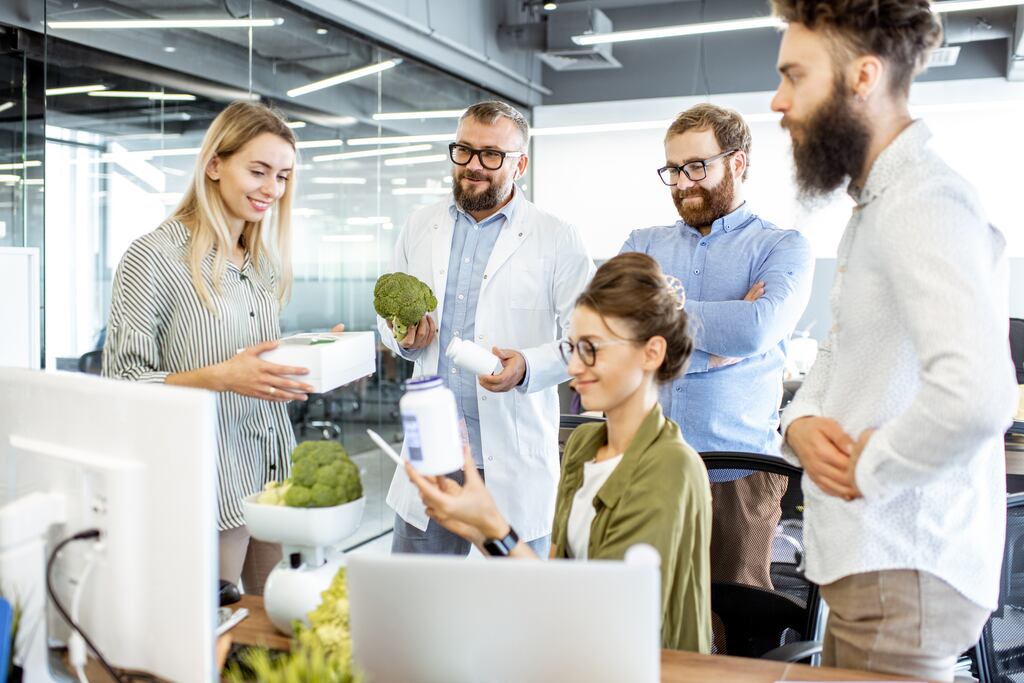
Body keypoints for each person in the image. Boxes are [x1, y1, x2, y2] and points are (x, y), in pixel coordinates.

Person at [769, 1, 1019, 679]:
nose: (777, 100)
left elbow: (978, 393)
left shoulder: (924, 201)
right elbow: (842, 357)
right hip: (875, 567)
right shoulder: (879, 203)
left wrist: (867, 467)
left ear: (863, 76)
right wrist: (800, 421)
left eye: (795, 76)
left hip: (901, 564)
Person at [406, 252, 712, 653]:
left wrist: (493, 525)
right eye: (572, 347)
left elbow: (604, 625)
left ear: (651, 353)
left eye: (593, 349)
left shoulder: (671, 468)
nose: (575, 365)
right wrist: (475, 526)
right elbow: (554, 583)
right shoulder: (586, 446)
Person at [103, 101, 339, 595]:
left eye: (282, 176)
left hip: (272, 477)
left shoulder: (261, 264)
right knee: (212, 644)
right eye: (258, 171)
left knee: (272, 645)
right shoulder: (154, 256)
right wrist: (218, 378)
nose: (272, 189)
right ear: (215, 164)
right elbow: (121, 385)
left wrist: (319, 355)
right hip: (208, 486)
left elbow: (255, 364)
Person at [379, 100, 595, 558]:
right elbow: (386, 317)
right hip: (431, 453)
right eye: (464, 151)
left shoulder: (556, 236)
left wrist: (527, 367)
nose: (473, 166)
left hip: (513, 462)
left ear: (521, 163)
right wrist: (400, 338)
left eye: (491, 155)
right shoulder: (420, 225)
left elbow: (588, 340)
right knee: (415, 607)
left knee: (514, 612)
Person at [621, 104, 813, 590]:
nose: (683, 183)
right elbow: (616, 328)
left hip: (740, 472)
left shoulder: (781, 246)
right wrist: (719, 349)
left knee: (737, 617)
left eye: (696, 167)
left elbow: (755, 329)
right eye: (672, 170)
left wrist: (665, 330)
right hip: (650, 466)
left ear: (738, 163)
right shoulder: (642, 243)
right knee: (651, 613)